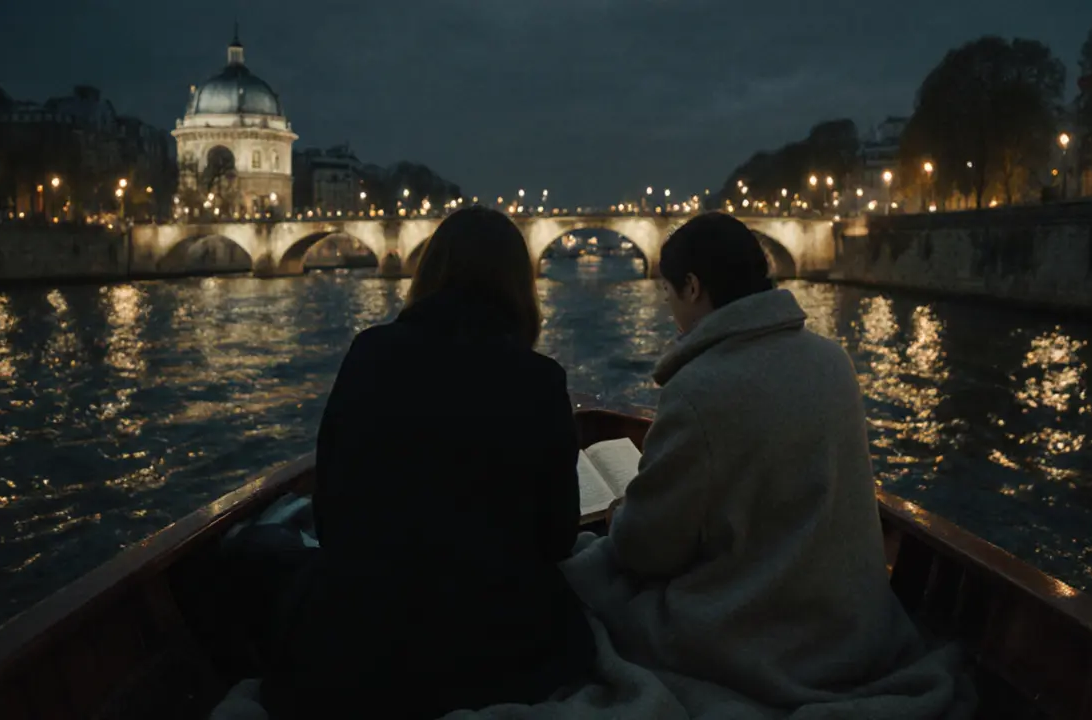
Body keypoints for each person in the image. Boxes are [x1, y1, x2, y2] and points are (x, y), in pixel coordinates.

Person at [566, 212, 971, 717]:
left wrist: (620, 515)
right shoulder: (833, 361)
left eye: (668, 293)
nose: (670, 311)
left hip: (759, 640)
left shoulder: (696, 391)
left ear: (693, 287)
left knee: (586, 580)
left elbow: (647, 551)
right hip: (851, 626)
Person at [261, 207, 595, 719]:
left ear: (430, 272)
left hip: (357, 644)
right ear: (518, 284)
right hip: (496, 650)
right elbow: (556, 539)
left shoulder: (368, 353)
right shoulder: (539, 380)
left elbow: (332, 519)